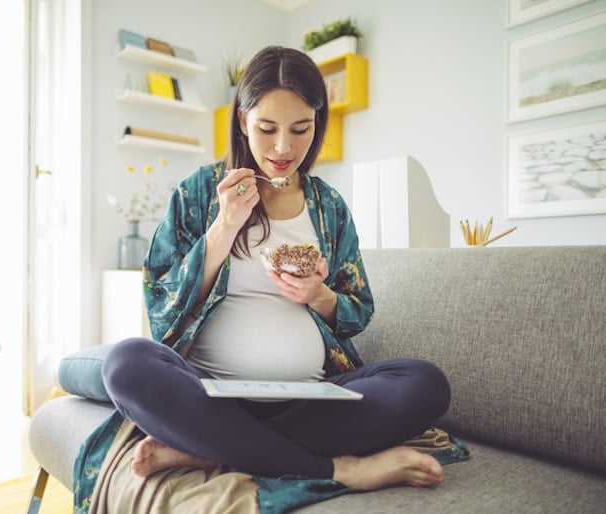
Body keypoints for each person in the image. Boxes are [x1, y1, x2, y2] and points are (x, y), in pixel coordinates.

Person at [102, 45, 451, 491]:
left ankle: (207, 448)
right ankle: (337, 468)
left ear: (317, 124)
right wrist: (224, 227)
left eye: (301, 129)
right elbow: (161, 314)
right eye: (267, 128)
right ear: (243, 122)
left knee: (425, 383)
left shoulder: (329, 208)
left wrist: (318, 295)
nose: (284, 148)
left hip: (311, 398)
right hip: (209, 395)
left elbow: (358, 311)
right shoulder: (199, 194)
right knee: (126, 364)